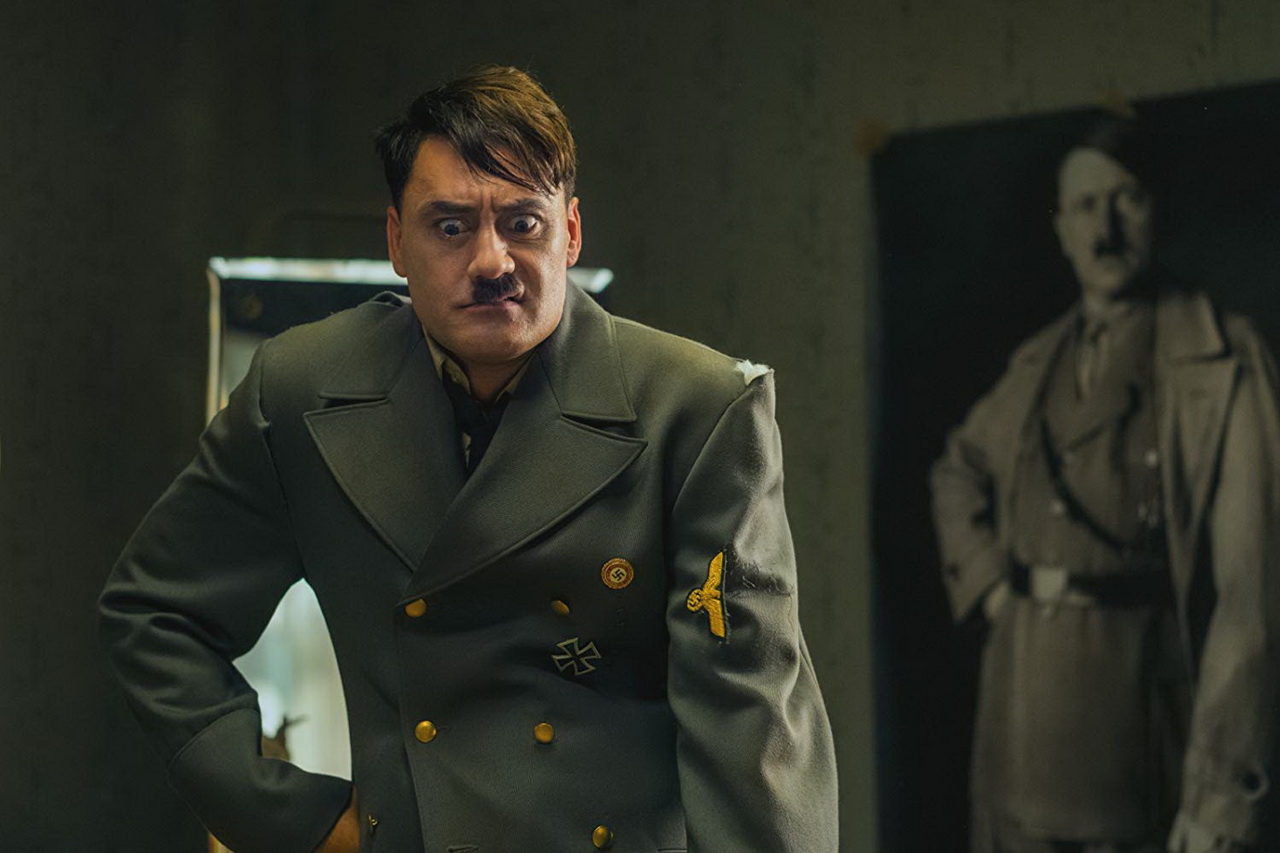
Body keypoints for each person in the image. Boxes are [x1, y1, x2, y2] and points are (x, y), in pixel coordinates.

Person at [99, 66, 837, 853]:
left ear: (571, 232)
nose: (491, 260)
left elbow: (749, 717)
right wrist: (296, 820)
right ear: (396, 241)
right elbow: (155, 614)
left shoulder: (695, 408)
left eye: (523, 223)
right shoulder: (302, 392)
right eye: (450, 227)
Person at [931, 116, 1280, 853]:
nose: (1106, 229)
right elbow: (957, 470)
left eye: (1128, 199)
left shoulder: (1224, 361)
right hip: (1022, 716)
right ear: (1061, 228)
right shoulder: (1036, 362)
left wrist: (1220, 795)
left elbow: (1252, 599)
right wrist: (992, 587)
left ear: (1160, 212)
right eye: (1086, 206)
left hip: (1141, 730)